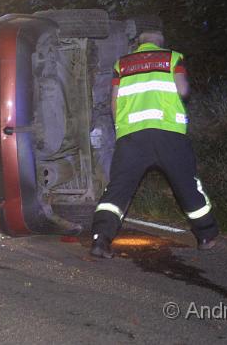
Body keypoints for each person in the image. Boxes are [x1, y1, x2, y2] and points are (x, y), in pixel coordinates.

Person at [90, 28, 219, 258]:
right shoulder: (172, 58)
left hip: (132, 137)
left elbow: (114, 102)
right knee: (186, 185)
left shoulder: (122, 64)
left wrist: (121, 130)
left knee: (118, 189)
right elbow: (183, 89)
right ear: (160, 43)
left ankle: (101, 240)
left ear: (138, 44)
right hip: (168, 134)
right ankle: (206, 236)